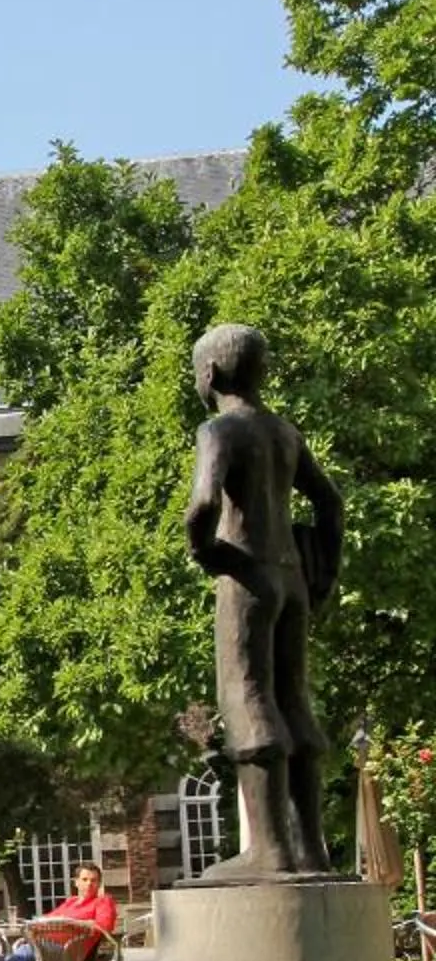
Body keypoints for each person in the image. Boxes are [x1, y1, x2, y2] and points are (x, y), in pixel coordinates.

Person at [184, 321, 342, 876]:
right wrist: (323, 571)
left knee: (246, 696)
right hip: (293, 576)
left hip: (248, 576)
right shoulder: (284, 433)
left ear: (211, 373)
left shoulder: (219, 430)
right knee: (294, 698)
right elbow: (330, 503)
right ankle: (312, 850)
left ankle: (269, 852)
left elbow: (203, 506)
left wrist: (206, 552)